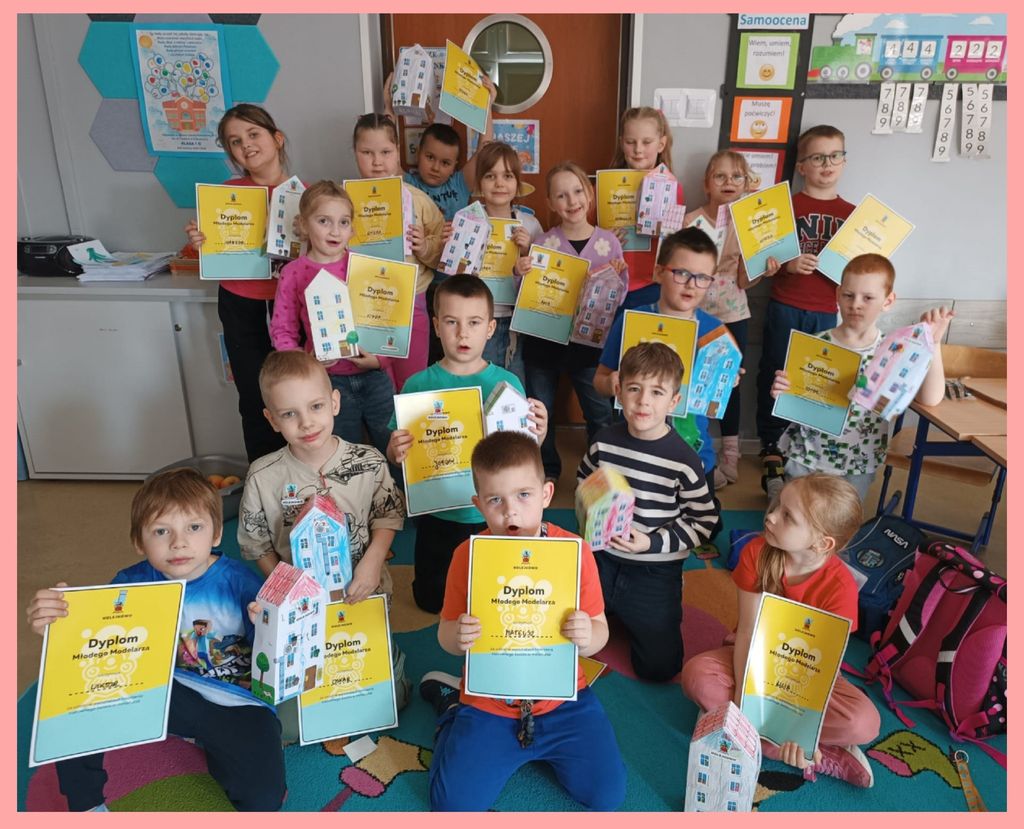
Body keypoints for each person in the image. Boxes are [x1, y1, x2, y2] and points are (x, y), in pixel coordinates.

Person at [26, 468, 286, 811]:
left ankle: (213, 745)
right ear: (139, 541)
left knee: (263, 800)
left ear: (217, 533)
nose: (178, 543)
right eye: (161, 531)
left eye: (194, 528)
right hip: (162, 692)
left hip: (233, 701)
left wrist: (269, 626)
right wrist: (60, 625)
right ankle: (87, 806)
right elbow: (95, 650)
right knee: (70, 694)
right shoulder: (128, 584)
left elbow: (272, 660)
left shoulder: (241, 583)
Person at [419, 431, 626, 811]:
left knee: (606, 795)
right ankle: (452, 709)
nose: (511, 512)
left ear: (546, 494)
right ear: (478, 504)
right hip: (489, 701)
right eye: (495, 500)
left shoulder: (574, 552)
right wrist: (458, 636)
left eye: (524, 495)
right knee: (451, 807)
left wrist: (587, 635)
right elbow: (445, 635)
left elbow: (600, 632)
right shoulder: (467, 556)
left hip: (563, 700)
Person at [680, 473, 881, 788]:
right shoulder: (757, 552)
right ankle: (803, 751)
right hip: (750, 659)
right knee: (696, 676)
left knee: (864, 723)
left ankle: (756, 735)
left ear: (822, 543)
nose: (771, 516)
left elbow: (822, 671)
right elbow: (747, 633)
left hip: (807, 678)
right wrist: (746, 704)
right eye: (777, 506)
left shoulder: (840, 588)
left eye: (788, 516)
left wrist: (800, 728)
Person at [237, 349, 409, 707]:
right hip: (301, 607)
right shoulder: (262, 477)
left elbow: (388, 515)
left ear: (334, 402)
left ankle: (390, 663)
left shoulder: (369, 461)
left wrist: (373, 562)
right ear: (272, 420)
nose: (306, 423)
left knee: (388, 694)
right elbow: (258, 545)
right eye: (289, 414)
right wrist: (288, 592)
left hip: (365, 590)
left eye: (315, 406)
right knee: (304, 704)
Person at [385, 275, 549, 613]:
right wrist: (395, 450)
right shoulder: (417, 385)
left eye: (473, 322)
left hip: (491, 510)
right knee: (431, 598)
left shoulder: (507, 383)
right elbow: (396, 449)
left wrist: (540, 433)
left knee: (491, 590)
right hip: (437, 509)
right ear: (436, 326)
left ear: (490, 328)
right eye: (451, 322)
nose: (463, 333)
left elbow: (525, 452)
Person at [578, 342, 718, 681]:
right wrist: (593, 514)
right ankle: (612, 610)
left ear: (674, 402)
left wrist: (652, 543)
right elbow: (584, 479)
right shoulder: (603, 441)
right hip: (602, 559)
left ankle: (635, 611)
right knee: (562, 633)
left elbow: (704, 522)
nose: (643, 401)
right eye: (634, 389)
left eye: (657, 392)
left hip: (654, 570)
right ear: (618, 392)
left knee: (659, 669)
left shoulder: (684, 460)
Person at [768, 253, 953, 501]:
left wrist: (934, 343)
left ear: (888, 301)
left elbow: (930, 398)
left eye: (868, 298)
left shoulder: (893, 352)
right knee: (796, 514)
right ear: (837, 295)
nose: (856, 304)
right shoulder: (814, 345)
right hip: (806, 455)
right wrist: (782, 391)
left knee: (842, 522)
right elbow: (794, 397)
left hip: (857, 463)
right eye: (848, 295)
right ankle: (776, 493)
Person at [185, 104, 294, 462]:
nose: (245, 144)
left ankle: (303, 473)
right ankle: (263, 475)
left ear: (277, 138)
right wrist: (200, 242)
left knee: (296, 390)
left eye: (253, 134)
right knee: (252, 394)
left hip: (290, 303)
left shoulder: (303, 194)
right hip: (240, 301)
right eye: (235, 141)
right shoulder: (224, 195)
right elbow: (209, 249)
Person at [755, 125, 856, 488]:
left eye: (835, 156)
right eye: (817, 157)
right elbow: (762, 259)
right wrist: (788, 264)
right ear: (801, 166)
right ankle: (771, 443)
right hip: (785, 304)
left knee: (818, 379)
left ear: (844, 161)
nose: (827, 163)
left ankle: (805, 443)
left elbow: (860, 269)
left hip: (827, 310)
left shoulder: (854, 215)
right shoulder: (784, 208)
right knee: (775, 372)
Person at [268, 180, 395, 457]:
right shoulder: (293, 273)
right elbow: (283, 329)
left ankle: (394, 487)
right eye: (324, 221)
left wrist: (380, 360)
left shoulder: (365, 268)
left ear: (352, 228)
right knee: (341, 455)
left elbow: (387, 324)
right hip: (326, 382)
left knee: (393, 450)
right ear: (304, 224)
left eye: (343, 222)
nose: (335, 231)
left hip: (375, 377)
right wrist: (306, 364)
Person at [594, 227, 728, 487]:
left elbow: (714, 402)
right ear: (659, 272)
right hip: (633, 454)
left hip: (693, 453)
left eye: (702, 277)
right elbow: (599, 380)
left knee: (698, 511)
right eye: (681, 273)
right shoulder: (631, 322)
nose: (691, 284)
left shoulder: (715, 333)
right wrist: (610, 383)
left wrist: (726, 380)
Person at [520, 161, 627, 484]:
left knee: (599, 411)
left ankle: (603, 470)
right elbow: (527, 296)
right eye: (561, 195)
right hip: (543, 341)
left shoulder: (609, 243)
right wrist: (520, 272)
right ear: (551, 203)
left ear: (590, 194)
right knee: (540, 410)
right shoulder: (543, 243)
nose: (572, 201)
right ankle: (547, 469)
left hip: (590, 345)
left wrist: (615, 278)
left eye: (578, 191)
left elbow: (619, 295)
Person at [351, 113, 445, 391]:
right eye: (367, 152)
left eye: (385, 152)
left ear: (398, 152)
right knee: (376, 384)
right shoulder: (344, 201)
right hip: (365, 304)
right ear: (355, 153)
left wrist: (424, 247)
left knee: (411, 383)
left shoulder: (418, 201)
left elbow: (443, 253)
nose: (377, 161)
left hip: (412, 300)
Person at [684, 150, 758, 489]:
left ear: (745, 184)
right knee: (694, 380)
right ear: (707, 184)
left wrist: (763, 267)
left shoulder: (748, 225)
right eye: (720, 176)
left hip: (733, 313)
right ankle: (697, 448)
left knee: (730, 383)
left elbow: (745, 280)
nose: (729, 182)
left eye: (737, 177)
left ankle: (730, 452)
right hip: (695, 313)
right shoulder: (690, 220)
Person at [473, 141, 544, 384]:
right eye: (490, 176)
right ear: (479, 183)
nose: (499, 183)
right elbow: (456, 272)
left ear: (518, 183)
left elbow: (543, 280)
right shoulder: (469, 220)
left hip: (517, 321)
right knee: (483, 383)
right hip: (479, 318)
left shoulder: (530, 224)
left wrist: (526, 250)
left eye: (507, 176)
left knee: (514, 385)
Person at [384, 71, 496, 222]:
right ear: (418, 154)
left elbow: (485, 149)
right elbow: (385, 147)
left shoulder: (460, 184)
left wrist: (487, 107)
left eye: (445, 163)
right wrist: (389, 108)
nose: (436, 168)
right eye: (430, 157)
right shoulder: (407, 184)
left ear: (454, 166)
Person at [608, 106, 683, 310]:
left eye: (646, 142)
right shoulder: (605, 186)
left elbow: (676, 241)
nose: (638, 149)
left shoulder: (672, 187)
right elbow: (587, 232)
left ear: (661, 144)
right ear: (621, 143)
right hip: (611, 280)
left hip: (652, 284)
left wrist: (665, 231)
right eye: (630, 142)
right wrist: (604, 237)